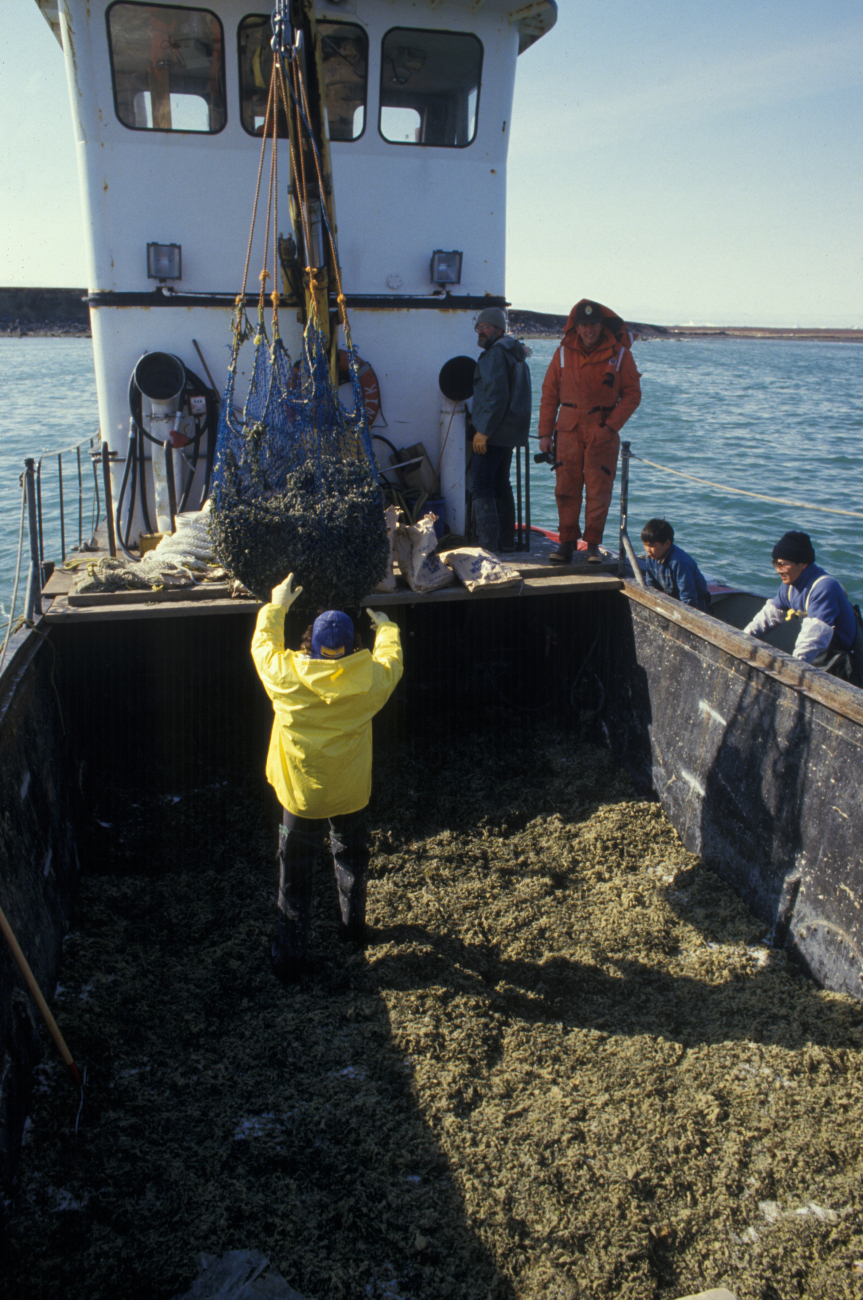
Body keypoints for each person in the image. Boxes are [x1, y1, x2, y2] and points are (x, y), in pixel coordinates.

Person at [251, 575, 404, 983]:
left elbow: (262, 647)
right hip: (351, 793)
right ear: (353, 647)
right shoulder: (369, 681)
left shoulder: (285, 679)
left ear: (309, 644)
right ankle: (353, 933)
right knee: (351, 860)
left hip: (300, 798)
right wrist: (386, 628)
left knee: (294, 877)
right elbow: (392, 662)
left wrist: (276, 606)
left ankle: (289, 961)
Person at [538, 299, 641, 564]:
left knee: (599, 490)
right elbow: (549, 395)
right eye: (583, 325)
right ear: (576, 327)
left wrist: (609, 427)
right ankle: (566, 543)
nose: (589, 330)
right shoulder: (561, 353)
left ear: (601, 325)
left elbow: (631, 395)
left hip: (602, 432)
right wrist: (545, 434)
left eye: (594, 324)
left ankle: (593, 545)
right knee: (565, 488)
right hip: (568, 432)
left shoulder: (620, 354)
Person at [742, 531, 861, 684]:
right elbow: (769, 615)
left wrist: (791, 672)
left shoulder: (824, 587)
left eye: (784, 564)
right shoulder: (789, 585)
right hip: (819, 658)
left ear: (803, 564)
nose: (778, 570)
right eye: (776, 563)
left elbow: (813, 638)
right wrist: (744, 637)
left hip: (843, 664)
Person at [470, 307, 532, 552]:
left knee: (481, 483)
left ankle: (487, 545)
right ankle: (506, 541)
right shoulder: (515, 353)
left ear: (498, 329)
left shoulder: (496, 354)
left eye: (485, 327)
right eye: (478, 327)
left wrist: (483, 430)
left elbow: (496, 396)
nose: (480, 331)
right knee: (501, 483)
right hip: (510, 433)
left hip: (493, 433)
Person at [641, 518, 711, 612]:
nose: (648, 549)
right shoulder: (651, 558)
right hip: (675, 599)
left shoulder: (680, 563)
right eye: (645, 545)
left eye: (652, 546)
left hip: (696, 603)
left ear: (667, 544)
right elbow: (652, 586)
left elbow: (688, 598)